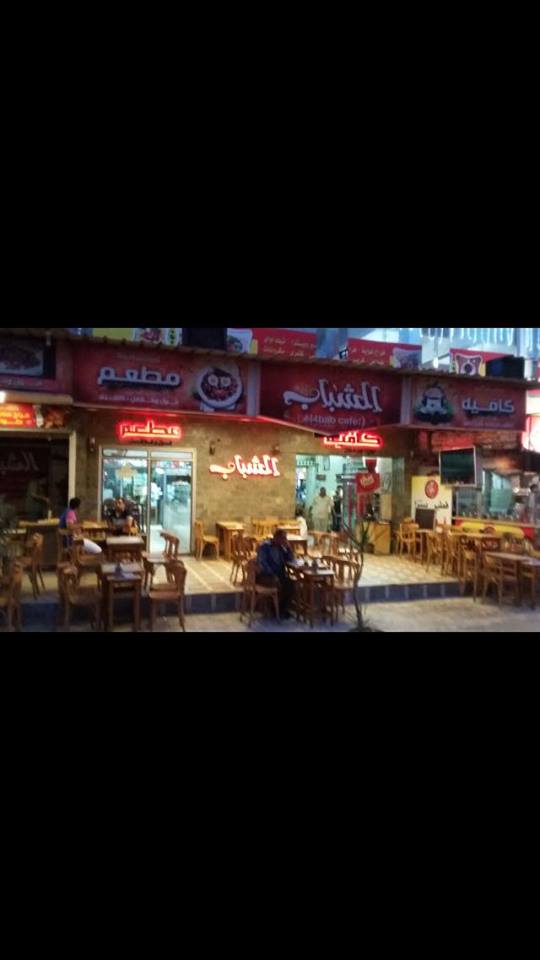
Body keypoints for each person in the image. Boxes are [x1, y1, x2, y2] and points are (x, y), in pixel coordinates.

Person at [256, 529, 295, 618]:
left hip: (278, 575)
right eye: (283, 538)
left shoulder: (280, 548)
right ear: (276, 537)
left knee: (291, 584)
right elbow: (262, 563)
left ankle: (282, 610)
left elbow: (290, 559)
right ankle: (276, 610)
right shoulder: (265, 546)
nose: (284, 540)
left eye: (285, 538)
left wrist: (288, 548)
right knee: (282, 584)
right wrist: (272, 574)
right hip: (265, 576)